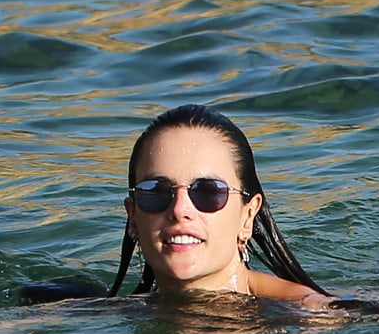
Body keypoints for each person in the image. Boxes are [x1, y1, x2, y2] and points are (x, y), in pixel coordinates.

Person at [107, 103, 333, 307]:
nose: (179, 209)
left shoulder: (306, 317)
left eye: (208, 191)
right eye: (156, 191)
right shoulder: (98, 319)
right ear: (133, 217)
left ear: (247, 216)